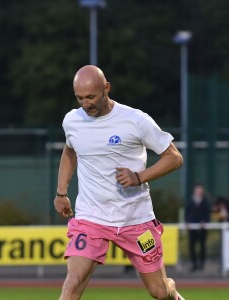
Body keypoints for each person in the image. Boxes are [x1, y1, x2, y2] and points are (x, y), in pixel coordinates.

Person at [53, 65, 185, 300]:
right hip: (90, 219)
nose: (85, 104)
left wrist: (138, 177)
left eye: (91, 97)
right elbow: (70, 150)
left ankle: (171, 289)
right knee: (72, 284)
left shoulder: (135, 120)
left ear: (106, 89)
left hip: (136, 219)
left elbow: (174, 158)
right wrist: (62, 192)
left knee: (159, 291)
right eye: (80, 98)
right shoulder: (72, 121)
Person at [185, 184, 210, 272]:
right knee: (192, 246)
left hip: (202, 229)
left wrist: (205, 221)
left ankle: (201, 265)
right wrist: (187, 222)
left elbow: (207, 214)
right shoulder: (191, 201)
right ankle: (194, 264)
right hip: (192, 228)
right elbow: (187, 213)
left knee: (202, 247)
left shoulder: (205, 201)